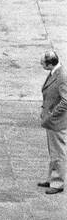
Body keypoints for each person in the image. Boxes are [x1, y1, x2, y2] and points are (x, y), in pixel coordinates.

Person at [39, 49, 67, 194]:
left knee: (58, 153)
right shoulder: (54, 72)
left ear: (50, 63)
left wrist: (52, 114)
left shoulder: (61, 76)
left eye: (43, 63)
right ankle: (52, 179)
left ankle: (58, 183)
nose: (41, 65)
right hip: (51, 121)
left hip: (56, 122)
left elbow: (65, 101)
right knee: (53, 152)